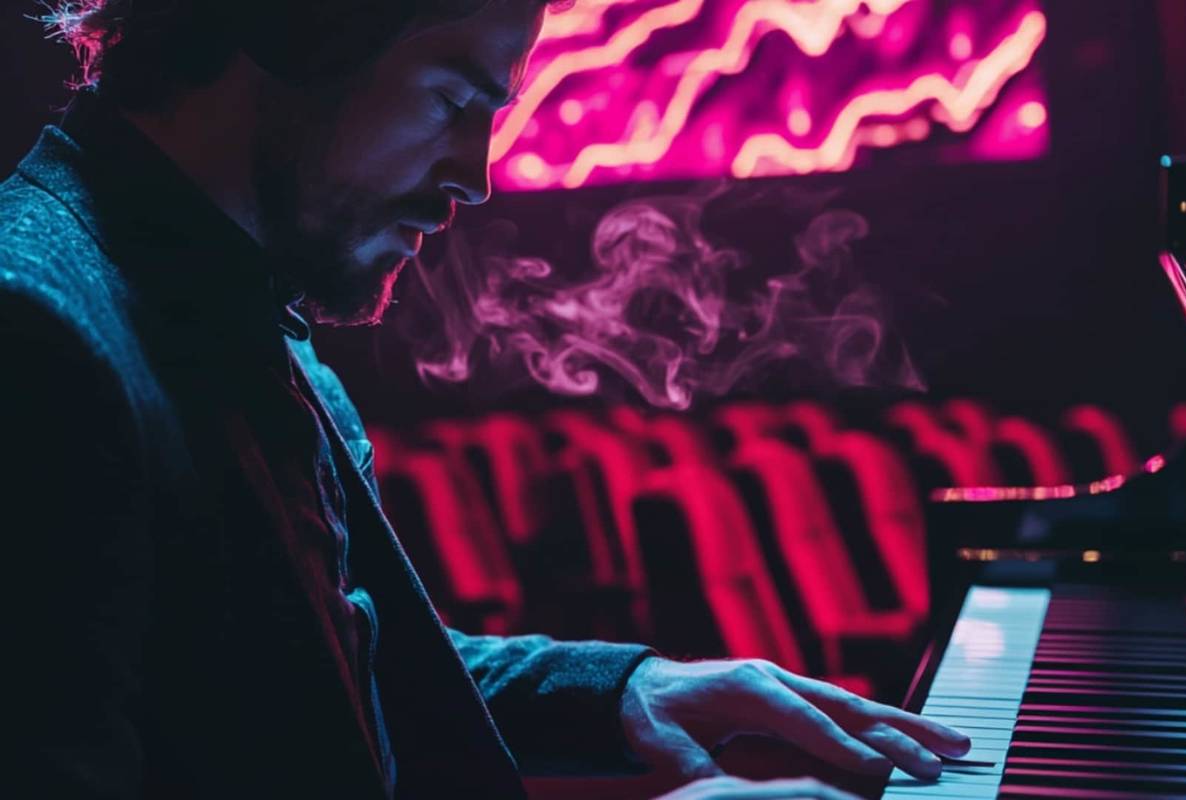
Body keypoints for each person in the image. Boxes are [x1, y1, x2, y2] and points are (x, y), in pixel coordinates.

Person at [0, 1, 971, 797]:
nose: (476, 174)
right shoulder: (36, 334)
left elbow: (312, 683)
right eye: (452, 99)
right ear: (298, 31)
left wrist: (626, 689)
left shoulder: (222, 317)